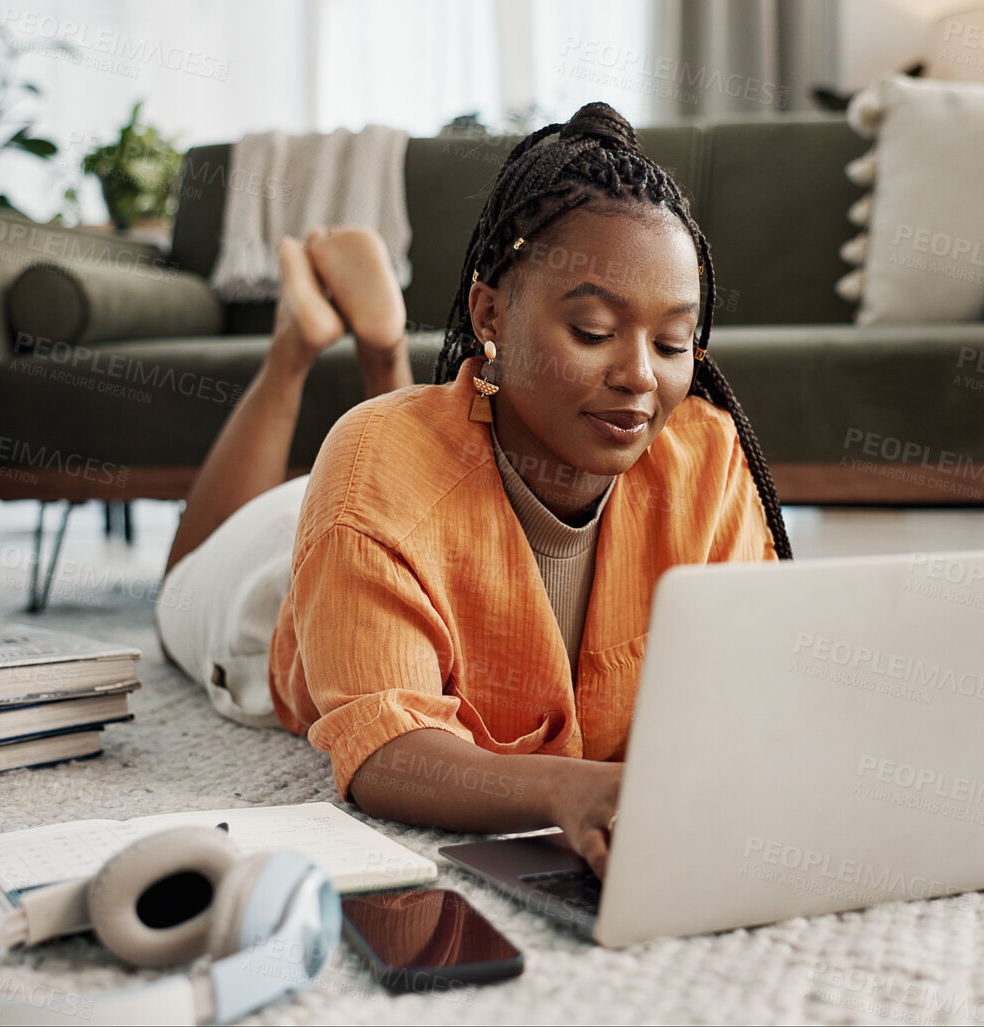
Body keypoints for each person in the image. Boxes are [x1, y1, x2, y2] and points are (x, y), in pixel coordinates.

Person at [158, 102, 793, 877]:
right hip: (279, 596)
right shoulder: (373, 465)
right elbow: (384, 748)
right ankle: (296, 347)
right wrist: (568, 789)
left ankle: (382, 348)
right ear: (489, 311)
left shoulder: (704, 453)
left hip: (400, 506)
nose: (638, 377)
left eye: (670, 343)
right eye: (593, 330)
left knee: (390, 458)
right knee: (180, 586)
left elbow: (755, 675)